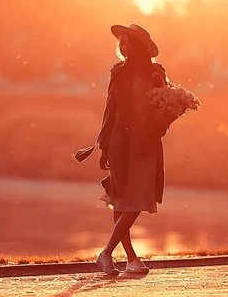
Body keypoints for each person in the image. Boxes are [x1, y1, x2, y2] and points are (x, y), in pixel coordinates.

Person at [75, 23, 170, 275]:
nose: (124, 47)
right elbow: (111, 109)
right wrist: (103, 145)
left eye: (129, 42)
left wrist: (164, 121)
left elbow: (164, 105)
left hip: (147, 141)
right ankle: (124, 257)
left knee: (138, 195)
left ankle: (109, 254)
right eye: (122, 43)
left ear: (140, 47)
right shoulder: (119, 73)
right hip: (122, 140)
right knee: (123, 195)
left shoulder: (156, 73)